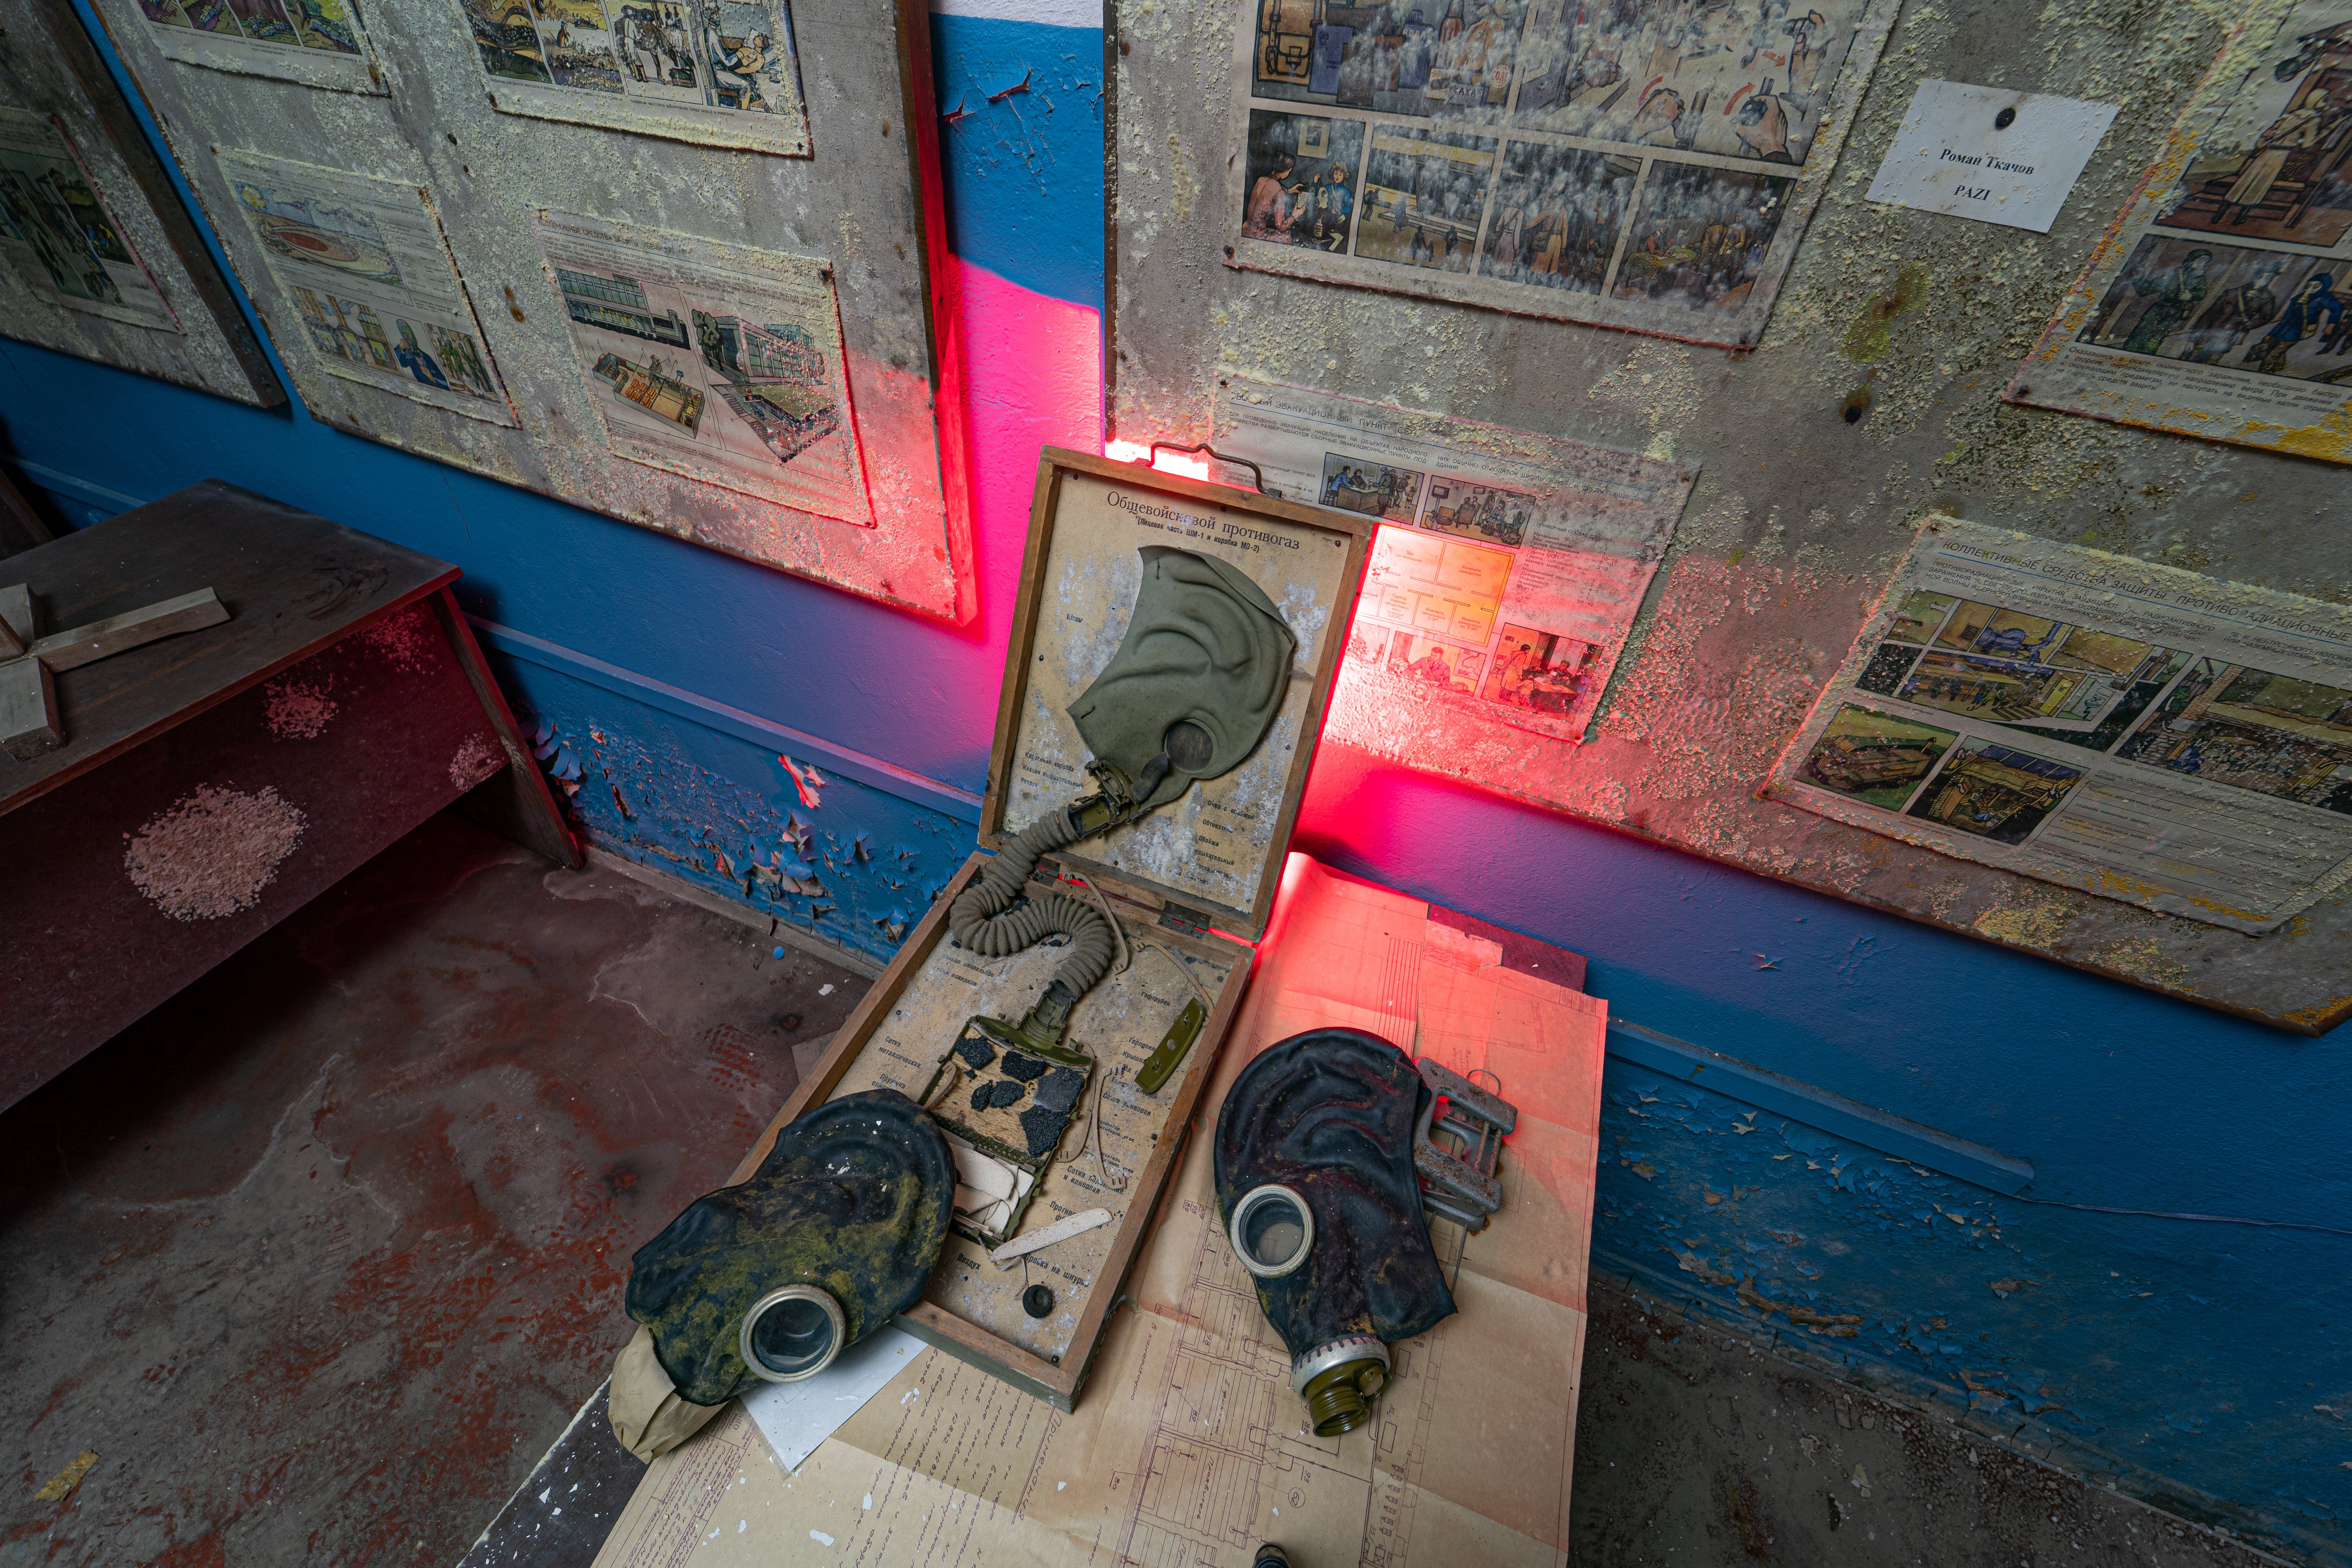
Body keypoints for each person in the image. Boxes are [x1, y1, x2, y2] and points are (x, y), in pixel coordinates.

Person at [2187, 255, 2285, 362]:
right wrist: (2192, 339)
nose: (2264, 280)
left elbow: (2266, 318)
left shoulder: (2268, 298)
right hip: (2208, 334)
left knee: (2211, 362)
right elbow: (2208, 316)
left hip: (2228, 338)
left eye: (2269, 276)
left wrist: (2246, 325)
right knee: (2190, 360)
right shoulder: (2231, 293)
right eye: (2262, 275)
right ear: (2257, 274)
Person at [2245, 270, 2345, 372]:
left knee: (2273, 355)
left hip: (2299, 331)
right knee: (2275, 347)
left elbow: (2337, 308)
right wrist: (2271, 334)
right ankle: (2279, 366)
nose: (2311, 288)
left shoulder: (2323, 298)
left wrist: (2331, 325)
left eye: (2316, 286)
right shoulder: (2297, 298)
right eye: (2310, 285)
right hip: (2284, 328)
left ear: (2323, 287)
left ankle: (2264, 373)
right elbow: (2286, 319)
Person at [2121, 249, 2209, 354]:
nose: (2202, 265)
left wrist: (2190, 296)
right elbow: (2145, 289)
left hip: (2173, 314)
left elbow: (2202, 293)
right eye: (2201, 260)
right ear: (2192, 260)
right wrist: (2138, 277)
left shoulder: (2200, 279)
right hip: (2158, 309)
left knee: (2156, 340)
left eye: (2205, 262)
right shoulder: (2175, 275)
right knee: (2140, 335)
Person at [1245, 152, 1299, 241]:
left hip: (1246, 229)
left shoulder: (1261, 180)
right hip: (1258, 235)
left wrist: (1289, 190)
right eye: (1290, 171)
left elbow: (1271, 189)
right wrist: (1294, 217)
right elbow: (1280, 226)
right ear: (1285, 171)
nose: (1290, 173)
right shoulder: (1279, 192)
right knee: (1287, 237)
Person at [394, 320, 449, 388]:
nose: (411, 340)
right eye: (406, 337)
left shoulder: (426, 357)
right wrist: (400, 348)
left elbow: (445, 384)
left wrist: (432, 379)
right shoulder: (409, 355)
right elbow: (403, 363)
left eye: (412, 337)